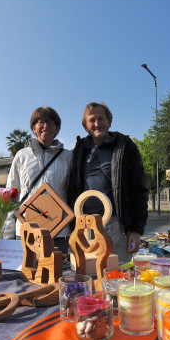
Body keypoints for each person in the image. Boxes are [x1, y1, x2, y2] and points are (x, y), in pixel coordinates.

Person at [67, 102, 148, 263]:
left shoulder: (125, 147)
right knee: (88, 274)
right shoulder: (79, 149)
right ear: (85, 126)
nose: (97, 124)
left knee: (117, 273)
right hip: (85, 225)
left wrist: (136, 230)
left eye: (101, 119)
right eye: (92, 120)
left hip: (116, 225)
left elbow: (139, 190)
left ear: (109, 122)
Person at [2, 107, 73, 251]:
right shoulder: (22, 156)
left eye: (51, 122)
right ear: (34, 128)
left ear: (57, 129)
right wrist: (8, 233)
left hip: (59, 231)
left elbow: (73, 193)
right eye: (41, 122)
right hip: (26, 229)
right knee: (26, 273)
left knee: (59, 272)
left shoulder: (68, 157)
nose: (45, 126)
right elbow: (11, 195)